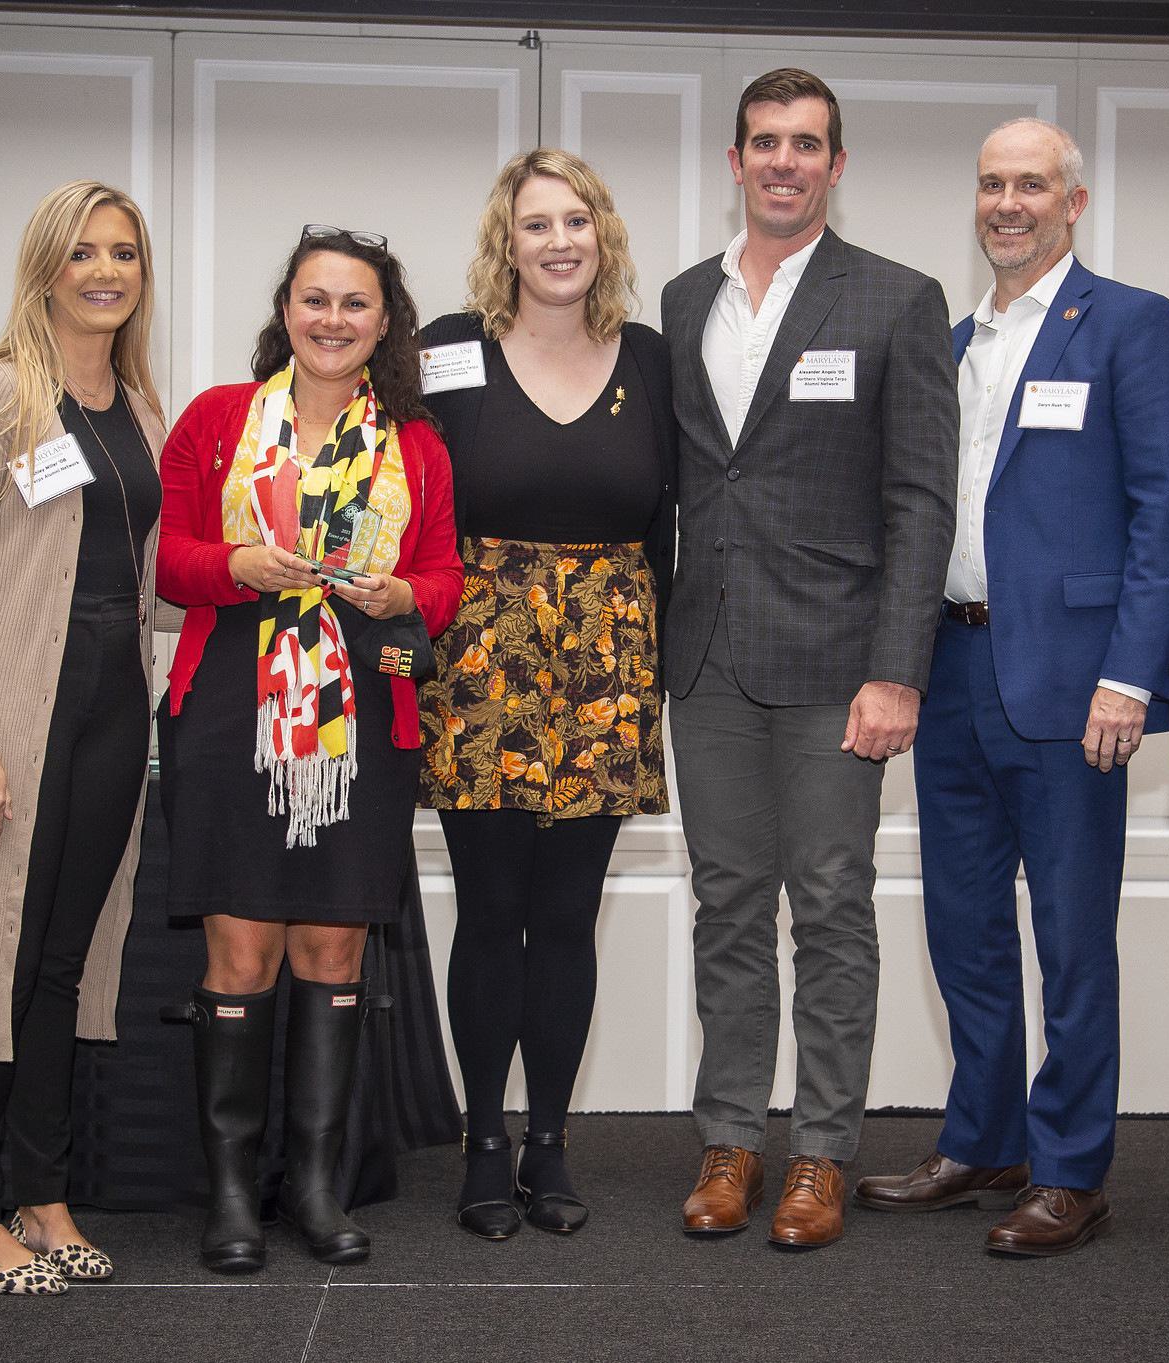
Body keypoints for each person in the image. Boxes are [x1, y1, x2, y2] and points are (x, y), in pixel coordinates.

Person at [853, 119, 1169, 1256]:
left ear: (1072, 200)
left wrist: (1128, 678)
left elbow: (1164, 519)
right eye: (991, 184)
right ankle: (982, 1138)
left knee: (1068, 934)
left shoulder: (1131, 325)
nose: (1007, 202)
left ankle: (1068, 1166)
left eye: (1030, 184)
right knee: (961, 928)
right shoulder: (952, 340)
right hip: (949, 668)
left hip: (1069, 683)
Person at [661, 68, 958, 1250]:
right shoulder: (683, 302)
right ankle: (730, 1137)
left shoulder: (896, 300)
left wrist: (899, 667)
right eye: (763, 143)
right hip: (709, 660)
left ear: (836, 166)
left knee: (830, 905)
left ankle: (822, 1151)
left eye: (806, 144)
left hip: (840, 661)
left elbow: (921, 500)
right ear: (733, 162)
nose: (783, 161)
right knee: (725, 903)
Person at [155, 227, 461, 1273]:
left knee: (331, 953)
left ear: (385, 323)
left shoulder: (413, 444)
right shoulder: (215, 420)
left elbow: (445, 577)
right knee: (239, 953)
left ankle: (316, 1189)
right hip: (230, 706)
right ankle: (234, 1195)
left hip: (360, 717)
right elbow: (168, 557)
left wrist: (403, 595)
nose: (332, 319)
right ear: (285, 308)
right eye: (314, 299)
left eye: (355, 303)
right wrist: (239, 559)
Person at [417, 149, 677, 1240]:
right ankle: (484, 1142)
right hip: (480, 661)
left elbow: (673, 522)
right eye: (536, 224)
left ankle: (550, 1145)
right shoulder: (446, 352)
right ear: (505, 241)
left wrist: (655, 676)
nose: (558, 241)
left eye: (577, 220)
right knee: (490, 911)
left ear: (601, 235)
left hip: (610, 661)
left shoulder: (655, 360)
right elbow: (408, 499)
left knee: (567, 916)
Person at [0, 180, 167, 1295]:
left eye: (124, 253)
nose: (105, 271)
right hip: (8, 714)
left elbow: (146, 583)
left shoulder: (137, 403)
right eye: (84, 254)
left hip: (115, 704)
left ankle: (42, 1191)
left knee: (62, 962)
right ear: (46, 267)